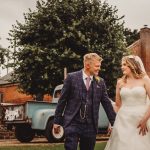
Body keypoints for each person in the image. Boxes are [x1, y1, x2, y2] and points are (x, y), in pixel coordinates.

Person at [53, 53, 116, 150]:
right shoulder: (71, 78)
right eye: (97, 66)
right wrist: (56, 121)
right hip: (72, 122)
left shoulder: (100, 82)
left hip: (90, 125)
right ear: (87, 65)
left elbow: (106, 103)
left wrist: (114, 122)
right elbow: (62, 100)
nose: (99, 68)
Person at [104, 55, 150, 150]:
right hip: (123, 121)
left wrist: (145, 120)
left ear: (132, 65)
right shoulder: (120, 82)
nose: (122, 67)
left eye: (125, 64)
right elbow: (117, 105)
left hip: (141, 119)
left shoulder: (145, 79)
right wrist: (111, 123)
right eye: (122, 65)